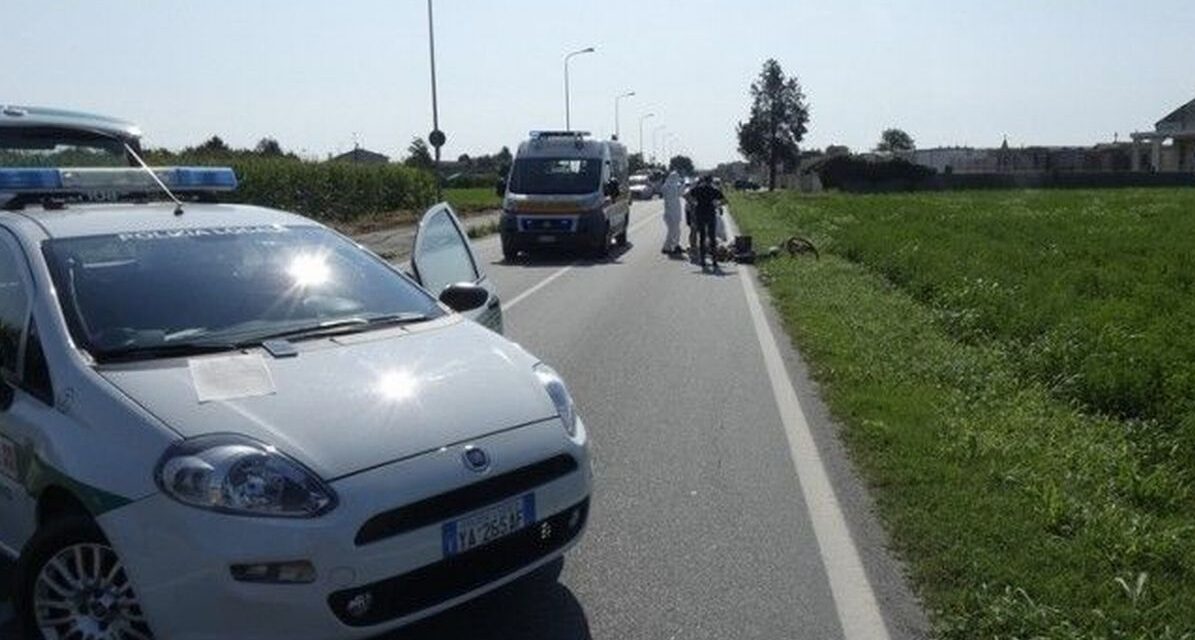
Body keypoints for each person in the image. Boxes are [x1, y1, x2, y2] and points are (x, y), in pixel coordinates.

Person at [685, 175, 727, 270]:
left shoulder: (698, 189)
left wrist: (694, 203)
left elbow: (686, 195)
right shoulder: (713, 190)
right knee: (712, 237)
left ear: (703, 181)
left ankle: (703, 260)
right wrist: (716, 205)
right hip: (710, 214)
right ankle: (714, 261)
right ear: (711, 181)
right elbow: (725, 200)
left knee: (702, 237)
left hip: (700, 214)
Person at [660, 171, 684, 254]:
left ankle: (672, 246)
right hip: (673, 212)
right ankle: (668, 247)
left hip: (669, 212)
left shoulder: (665, 186)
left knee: (673, 231)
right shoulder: (672, 187)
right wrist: (683, 185)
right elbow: (680, 193)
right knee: (674, 231)